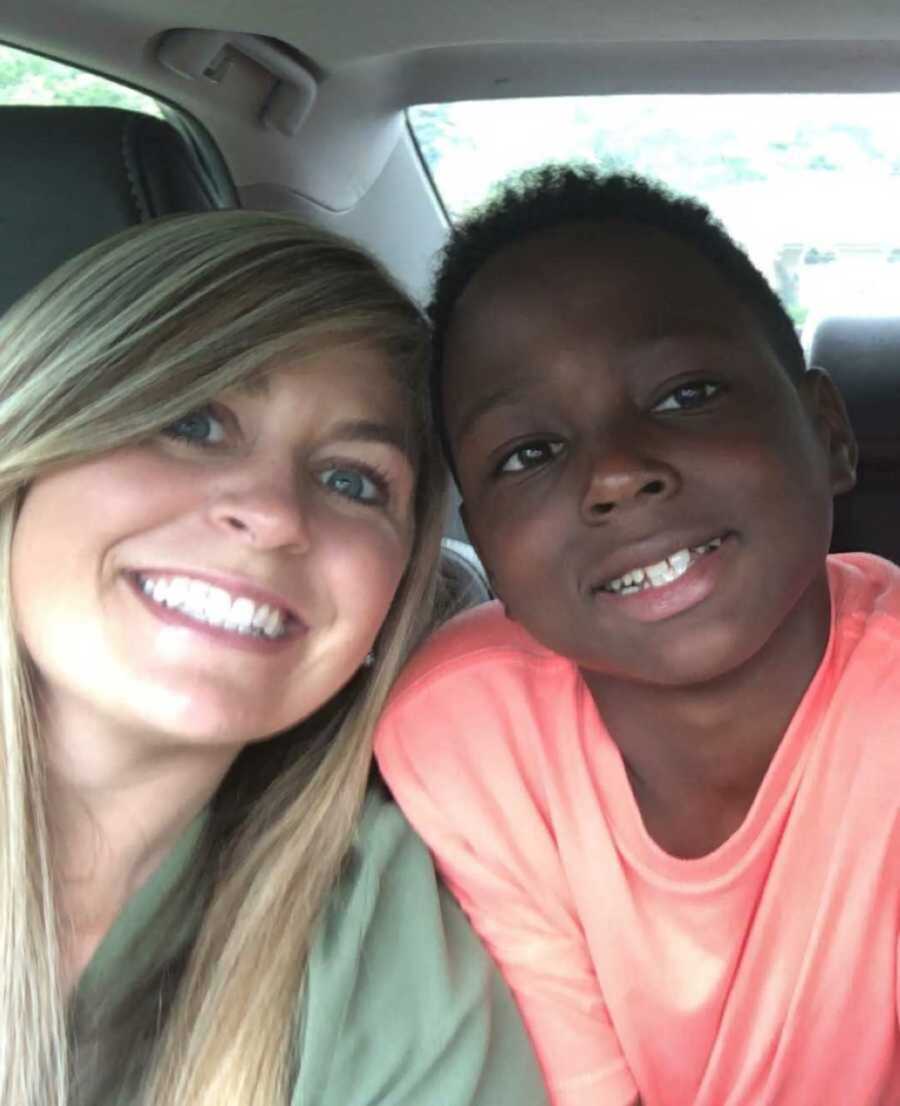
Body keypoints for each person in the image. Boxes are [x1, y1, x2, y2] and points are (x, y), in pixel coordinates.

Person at [375, 166, 900, 1106]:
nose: (617, 473)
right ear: (482, 542)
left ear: (828, 433)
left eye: (686, 394)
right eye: (527, 454)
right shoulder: (466, 731)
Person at [0, 209, 550, 1106]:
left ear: (392, 600)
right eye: (192, 422)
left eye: (351, 482)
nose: (275, 516)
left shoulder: (372, 927)